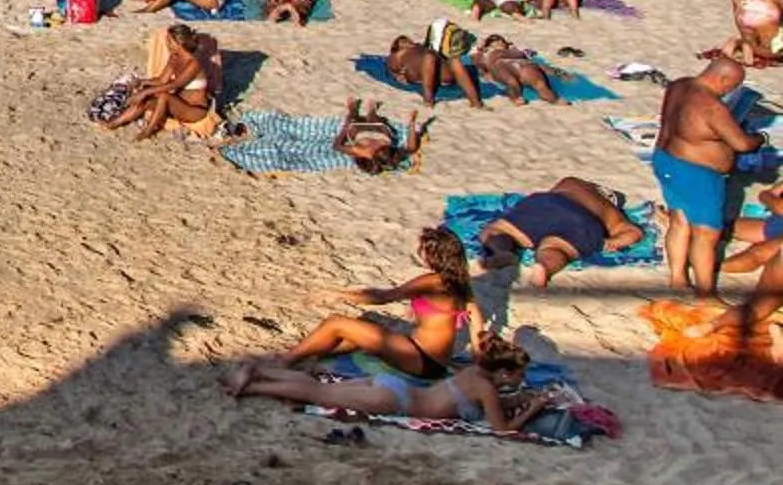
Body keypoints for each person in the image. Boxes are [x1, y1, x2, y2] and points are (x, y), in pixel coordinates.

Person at [224, 336, 548, 431]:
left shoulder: (474, 374)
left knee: (322, 387)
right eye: (517, 377)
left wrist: (519, 399)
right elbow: (503, 430)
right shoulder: (486, 388)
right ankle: (253, 386)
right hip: (397, 402)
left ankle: (258, 369)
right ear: (504, 374)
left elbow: (491, 406)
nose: (519, 382)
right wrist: (532, 407)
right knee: (318, 392)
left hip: (393, 385)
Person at [277, 226, 478, 376]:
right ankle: (313, 354)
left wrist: (338, 294)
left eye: (425, 251)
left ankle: (284, 361)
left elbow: (382, 297)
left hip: (420, 359)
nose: (422, 255)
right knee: (366, 325)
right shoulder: (460, 282)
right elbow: (477, 325)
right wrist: (480, 364)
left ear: (435, 255)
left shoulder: (432, 281)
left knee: (335, 322)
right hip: (435, 363)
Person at [656, 50, 763, 297]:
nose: (729, 92)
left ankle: (678, 279)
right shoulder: (712, 106)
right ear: (723, 80)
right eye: (732, 86)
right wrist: (758, 138)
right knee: (706, 233)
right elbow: (741, 144)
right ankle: (705, 294)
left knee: (679, 220)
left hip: (666, 160)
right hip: (696, 173)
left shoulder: (679, 85)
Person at [478, 178, 642, 287]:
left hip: (546, 204)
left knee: (498, 229)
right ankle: (545, 266)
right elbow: (634, 233)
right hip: (580, 220)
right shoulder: (610, 210)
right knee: (557, 248)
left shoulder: (571, 182)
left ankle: (500, 250)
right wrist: (612, 242)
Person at [105, 24, 224, 140]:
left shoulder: (193, 64)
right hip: (178, 104)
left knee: (163, 96)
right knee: (145, 101)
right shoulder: (174, 58)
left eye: (169, 41)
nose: (167, 44)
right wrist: (140, 82)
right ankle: (114, 123)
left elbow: (175, 84)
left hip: (195, 110)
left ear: (179, 43)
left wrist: (145, 92)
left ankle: (148, 130)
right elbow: (162, 80)